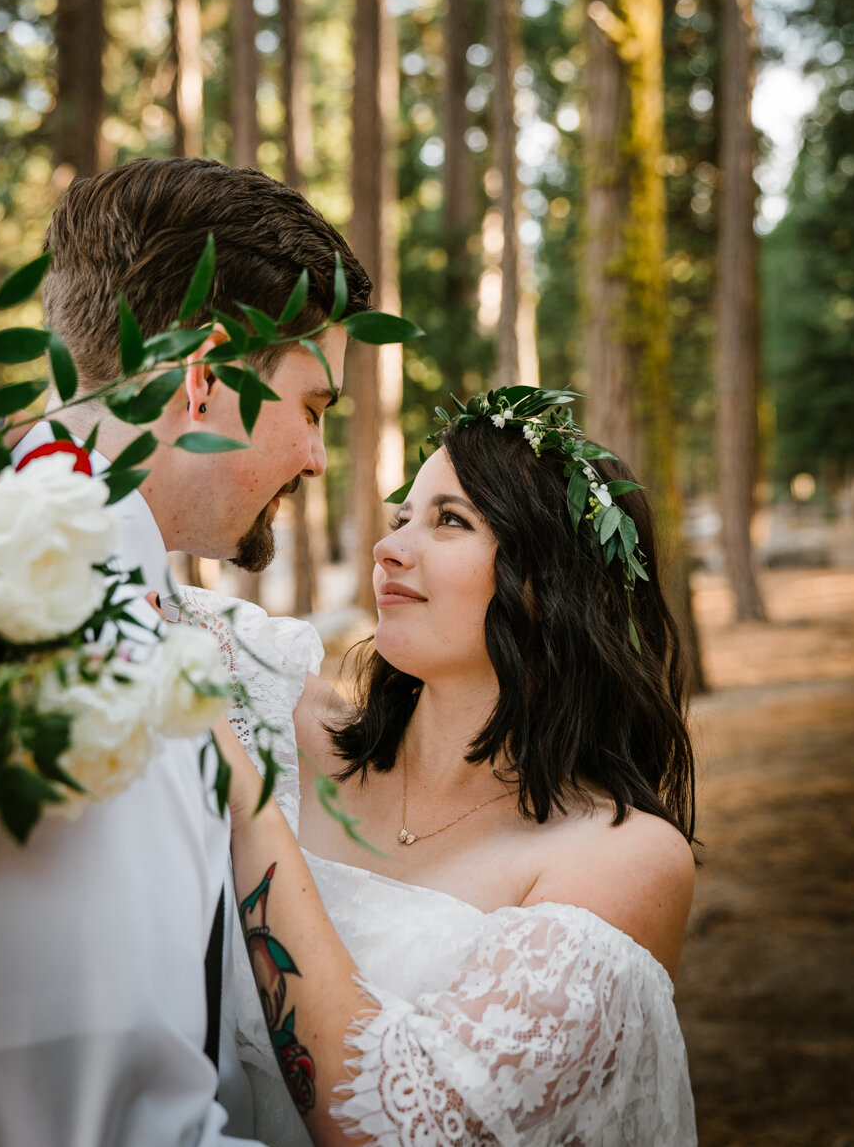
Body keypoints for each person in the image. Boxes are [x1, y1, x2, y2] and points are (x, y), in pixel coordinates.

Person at [0, 156, 372, 1147]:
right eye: (314, 409)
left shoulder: (14, 563)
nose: (318, 458)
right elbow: (107, 1128)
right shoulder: (86, 659)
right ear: (203, 374)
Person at [218, 389, 699, 1146]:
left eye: (450, 520)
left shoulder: (620, 856)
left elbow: (406, 1130)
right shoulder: (278, 713)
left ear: (548, 582)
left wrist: (248, 810)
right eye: (401, 517)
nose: (390, 547)